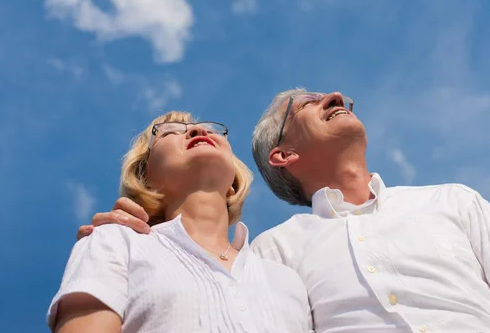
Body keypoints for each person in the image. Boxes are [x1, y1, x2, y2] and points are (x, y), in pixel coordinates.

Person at [78, 91, 490, 332]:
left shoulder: (452, 201)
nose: (337, 95)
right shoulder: (274, 255)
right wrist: (130, 234)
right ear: (282, 155)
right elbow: (216, 288)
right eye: (304, 103)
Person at [49, 111, 312, 333]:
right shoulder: (114, 241)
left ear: (233, 184)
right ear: (145, 177)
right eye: (169, 132)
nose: (197, 131)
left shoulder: (287, 276)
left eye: (211, 130)